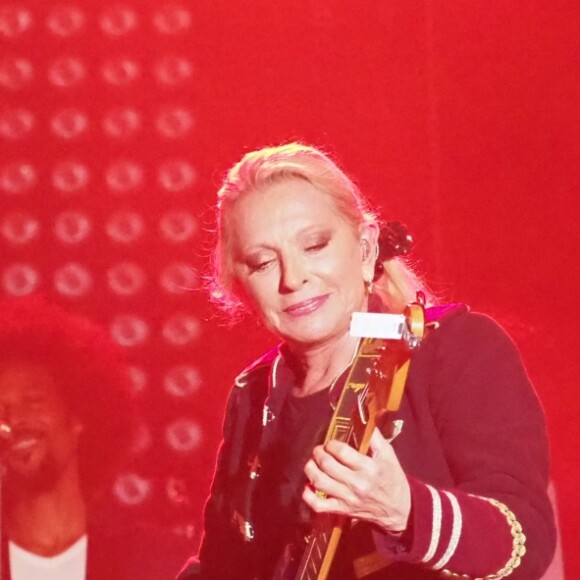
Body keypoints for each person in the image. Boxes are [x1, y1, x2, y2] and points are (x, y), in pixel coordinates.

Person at [178, 143, 556, 579]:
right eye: (263, 263)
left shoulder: (454, 350)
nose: (293, 278)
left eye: (315, 245)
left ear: (366, 247)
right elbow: (224, 567)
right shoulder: (255, 394)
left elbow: (526, 540)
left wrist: (404, 509)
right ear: (239, 285)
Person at [0, 296, 191, 580]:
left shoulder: (161, 561)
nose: (15, 420)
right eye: (1, 409)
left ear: (77, 417)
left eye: (33, 402)